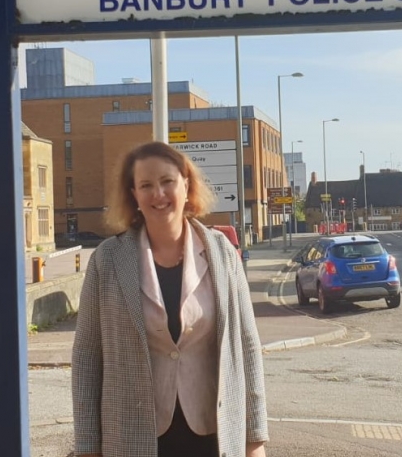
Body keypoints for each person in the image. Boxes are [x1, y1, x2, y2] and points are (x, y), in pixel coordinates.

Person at [72, 141, 268, 457]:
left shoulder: (221, 253)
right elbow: (86, 357)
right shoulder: (107, 260)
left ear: (186, 184)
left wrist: (255, 438)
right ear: (133, 194)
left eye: (167, 182)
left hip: (213, 435)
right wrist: (87, 447)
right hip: (131, 437)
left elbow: (247, 345)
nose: (158, 194)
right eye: (146, 185)